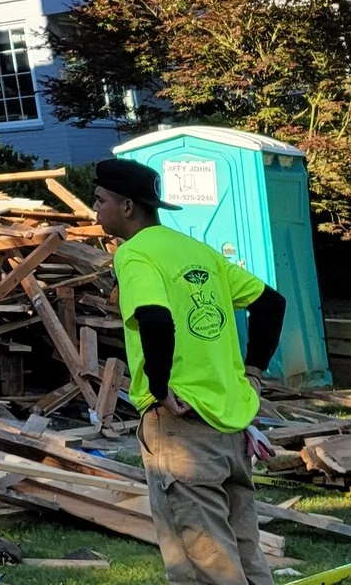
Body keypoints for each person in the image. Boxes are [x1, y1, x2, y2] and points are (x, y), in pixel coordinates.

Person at [91, 157, 289, 585]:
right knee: (244, 551)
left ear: (127, 207)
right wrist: (253, 371)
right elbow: (271, 303)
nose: (95, 210)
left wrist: (159, 386)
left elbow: (154, 318)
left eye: (100, 200)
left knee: (203, 563)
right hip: (229, 426)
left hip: (183, 428)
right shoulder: (197, 251)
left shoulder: (134, 253)